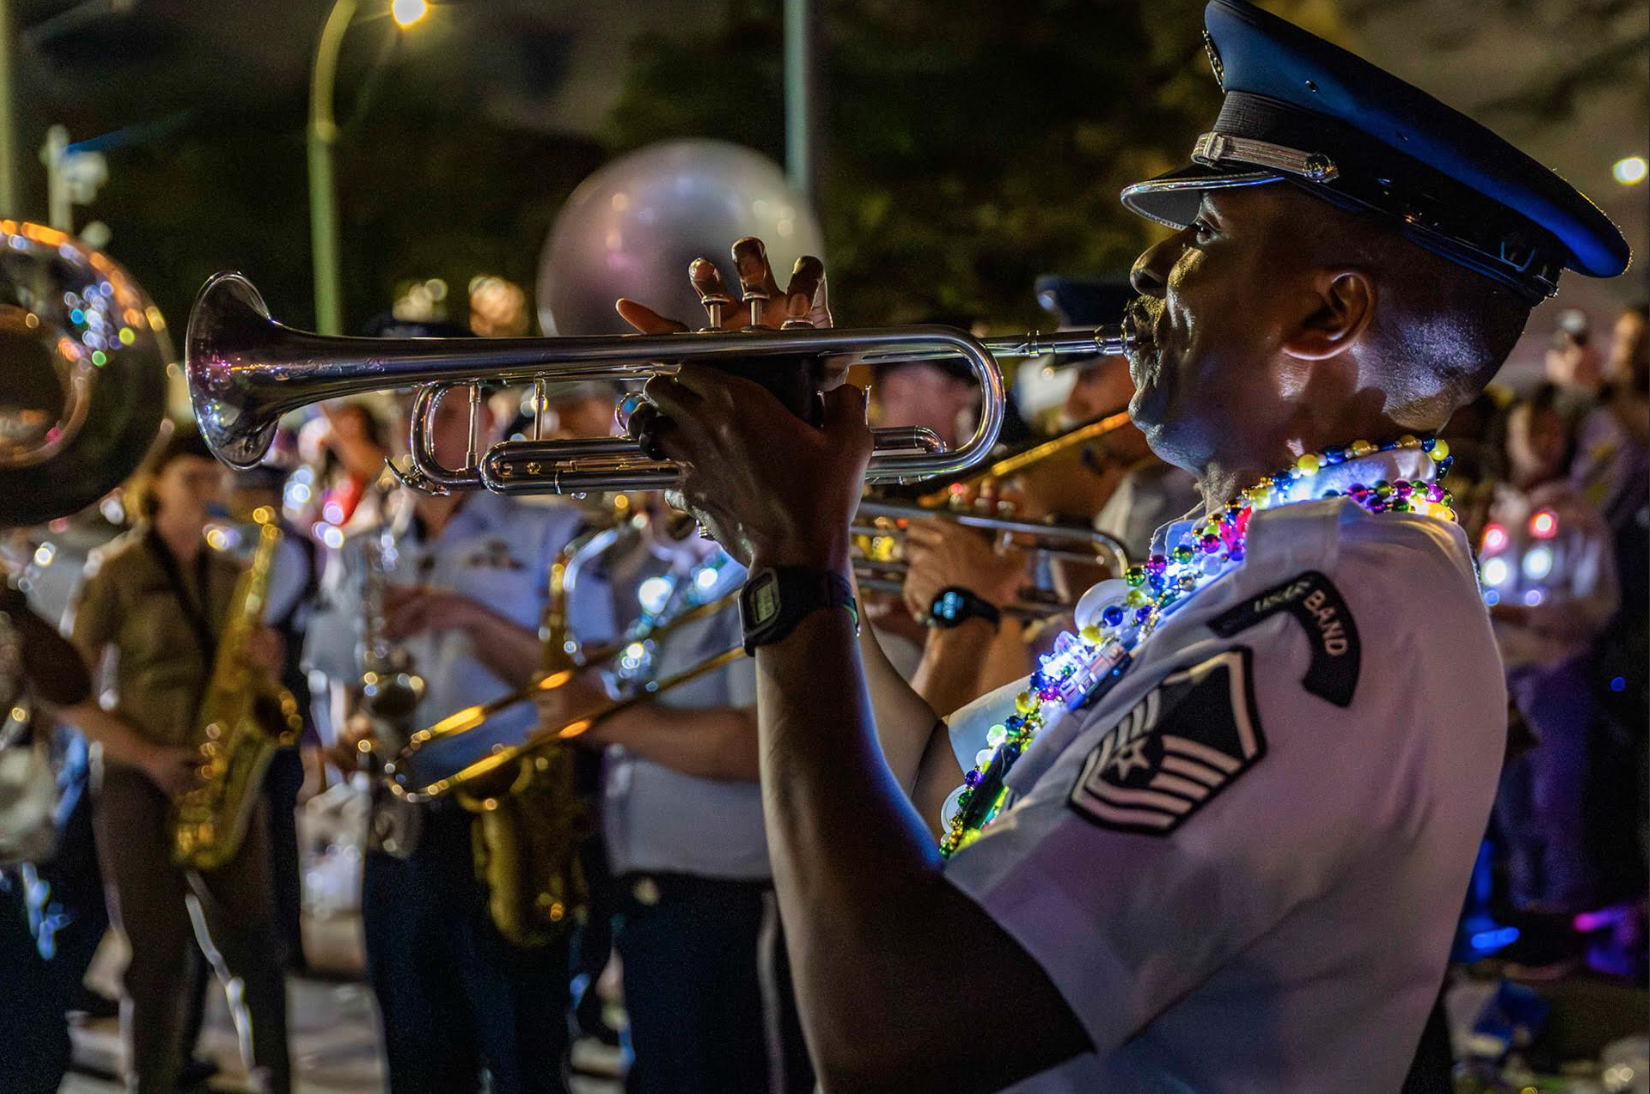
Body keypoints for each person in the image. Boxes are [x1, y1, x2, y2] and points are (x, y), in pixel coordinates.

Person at [618, 1, 1631, 1088]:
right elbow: (924, 779)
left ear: (1328, 313)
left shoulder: (1320, 623)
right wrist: (767, 528)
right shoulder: (1242, 563)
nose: (1148, 274)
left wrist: (793, 567)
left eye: (1202, 236)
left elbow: (891, 1029)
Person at [303, 372, 586, 1094]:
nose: (424, 428)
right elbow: (339, 671)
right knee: (418, 1053)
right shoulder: (366, 539)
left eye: (448, 410)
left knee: (525, 1050)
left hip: (511, 824)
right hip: (401, 826)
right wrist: (351, 730)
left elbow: (585, 678)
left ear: (489, 423)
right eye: (409, 412)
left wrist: (465, 617)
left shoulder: (548, 527)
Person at [533, 495, 814, 1094]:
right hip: (655, 902)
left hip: (727, 910)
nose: (640, 494)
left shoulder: (752, 574)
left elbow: (759, 743)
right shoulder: (678, 577)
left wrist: (603, 719)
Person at [66, 426, 292, 1094]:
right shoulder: (115, 570)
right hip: (139, 778)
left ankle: (276, 1080)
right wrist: (147, 755)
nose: (207, 489)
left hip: (220, 776)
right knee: (157, 960)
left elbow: (255, 692)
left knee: (255, 949)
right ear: (154, 485)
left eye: (212, 477)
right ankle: (150, 1081)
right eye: (191, 477)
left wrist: (267, 668)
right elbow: (69, 691)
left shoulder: (231, 572)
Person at [1481, 385, 1618, 969]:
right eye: (1531, 429)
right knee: (1511, 803)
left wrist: (1525, 613)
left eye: (1552, 431)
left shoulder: (1578, 516)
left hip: (1554, 674)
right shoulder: (1493, 512)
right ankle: (1526, 915)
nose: (1543, 441)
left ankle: (1565, 918)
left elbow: (1597, 604)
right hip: (1498, 677)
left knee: (1554, 798)